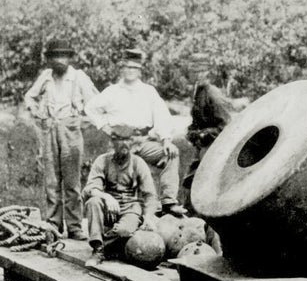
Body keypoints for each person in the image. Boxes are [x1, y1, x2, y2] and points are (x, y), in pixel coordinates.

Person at [84, 48, 187, 216]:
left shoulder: (148, 91)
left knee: (171, 154)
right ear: (121, 68)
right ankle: (118, 207)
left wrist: (167, 139)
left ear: (140, 70)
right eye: (127, 67)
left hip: (142, 141)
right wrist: (105, 127)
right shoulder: (112, 92)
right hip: (119, 143)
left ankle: (168, 202)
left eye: (134, 68)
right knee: (116, 171)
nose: (130, 71)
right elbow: (90, 108)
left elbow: (162, 115)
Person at [23, 38, 98, 240]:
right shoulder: (46, 76)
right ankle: (53, 224)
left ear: (69, 57)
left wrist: (82, 121)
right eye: (55, 56)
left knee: (72, 181)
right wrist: (36, 111)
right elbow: (29, 96)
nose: (59, 60)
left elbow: (95, 104)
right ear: (49, 59)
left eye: (63, 55)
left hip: (71, 130)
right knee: (52, 181)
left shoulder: (78, 77)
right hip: (49, 129)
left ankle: (74, 226)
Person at [83, 124, 160, 260]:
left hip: (130, 207)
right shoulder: (102, 161)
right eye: (120, 140)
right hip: (109, 207)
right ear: (112, 142)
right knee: (93, 202)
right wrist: (106, 196)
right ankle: (98, 249)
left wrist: (148, 217)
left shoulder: (138, 163)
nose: (125, 144)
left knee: (124, 231)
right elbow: (90, 188)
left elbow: (150, 195)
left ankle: (107, 242)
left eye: (128, 140)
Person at [182, 52, 231, 207]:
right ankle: (191, 211)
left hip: (215, 147)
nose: (196, 75)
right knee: (190, 183)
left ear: (207, 72)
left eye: (200, 72)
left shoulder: (213, 94)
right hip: (202, 146)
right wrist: (192, 131)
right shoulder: (198, 92)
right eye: (193, 71)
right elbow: (198, 120)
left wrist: (203, 134)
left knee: (203, 183)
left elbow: (226, 127)